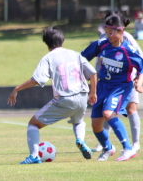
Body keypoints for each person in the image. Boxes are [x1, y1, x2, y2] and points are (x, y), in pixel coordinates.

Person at [7, 26, 97, 164]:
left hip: (65, 98)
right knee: (78, 121)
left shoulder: (48, 58)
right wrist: (92, 93)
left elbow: (36, 80)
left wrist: (17, 89)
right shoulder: (75, 54)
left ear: (46, 43)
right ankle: (80, 140)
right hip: (82, 97)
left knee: (33, 124)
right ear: (62, 40)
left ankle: (34, 156)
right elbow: (93, 73)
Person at [81, 14, 143, 161]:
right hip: (102, 86)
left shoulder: (128, 51)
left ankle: (128, 148)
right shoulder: (102, 44)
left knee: (108, 114)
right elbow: (82, 58)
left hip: (120, 87)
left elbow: (142, 67)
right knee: (96, 124)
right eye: (106, 32)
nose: (108, 36)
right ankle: (108, 148)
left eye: (111, 33)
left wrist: (139, 82)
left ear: (121, 31)